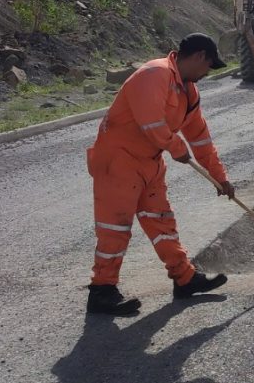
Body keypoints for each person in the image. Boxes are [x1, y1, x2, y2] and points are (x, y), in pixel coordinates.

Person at [85, 33, 235, 316]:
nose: (206, 73)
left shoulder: (188, 91)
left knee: (162, 222)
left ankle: (185, 278)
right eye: (208, 66)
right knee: (115, 230)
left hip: (150, 165)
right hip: (118, 161)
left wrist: (220, 177)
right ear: (200, 56)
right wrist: (176, 147)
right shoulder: (155, 74)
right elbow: (151, 122)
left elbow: (200, 138)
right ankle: (102, 291)